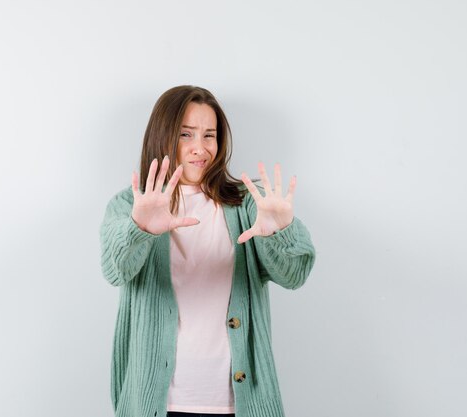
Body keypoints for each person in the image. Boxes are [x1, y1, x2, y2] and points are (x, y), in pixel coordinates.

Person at [99, 85, 316, 417]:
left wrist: (280, 232)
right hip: (157, 403)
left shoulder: (247, 203)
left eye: (209, 135)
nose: (199, 148)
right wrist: (138, 229)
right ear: (163, 136)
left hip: (236, 404)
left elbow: (295, 275)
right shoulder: (132, 203)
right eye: (186, 135)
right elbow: (116, 270)